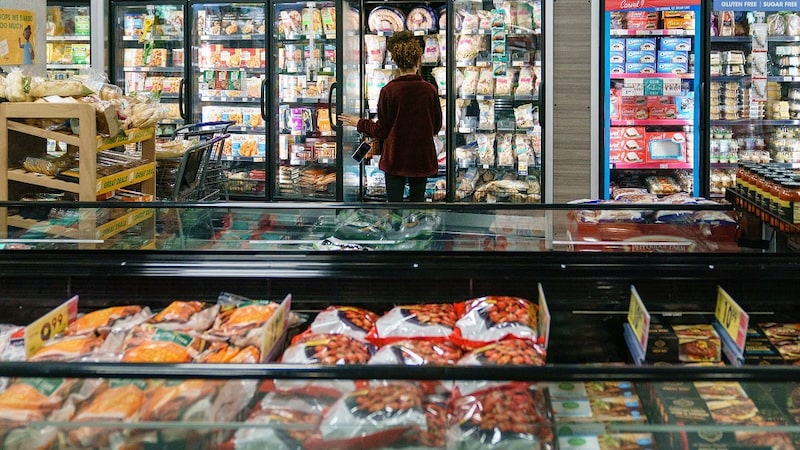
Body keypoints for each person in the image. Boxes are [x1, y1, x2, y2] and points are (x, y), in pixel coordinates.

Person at [340, 31, 441, 202]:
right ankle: (416, 228)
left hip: (396, 159)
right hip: (422, 158)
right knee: (417, 208)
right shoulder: (430, 89)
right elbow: (437, 126)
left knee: (395, 208)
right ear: (418, 60)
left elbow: (381, 130)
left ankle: (396, 227)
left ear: (395, 61)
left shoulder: (389, 91)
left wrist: (359, 123)